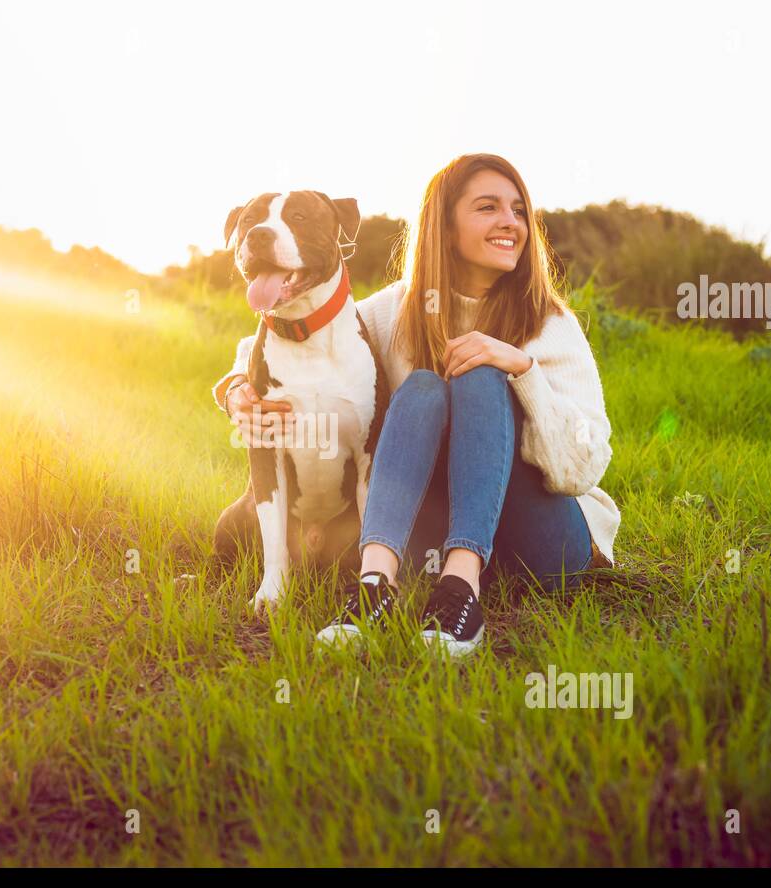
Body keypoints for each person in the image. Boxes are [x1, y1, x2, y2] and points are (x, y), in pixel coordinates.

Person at [211, 153, 620, 658]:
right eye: (488, 207)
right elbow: (310, 332)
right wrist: (235, 387)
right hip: (441, 532)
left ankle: (462, 592)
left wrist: (521, 371)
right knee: (424, 386)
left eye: (518, 210)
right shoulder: (401, 309)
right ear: (444, 227)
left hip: (545, 542)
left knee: (480, 378)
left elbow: (582, 467)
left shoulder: (551, 323)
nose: (509, 223)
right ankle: (376, 589)